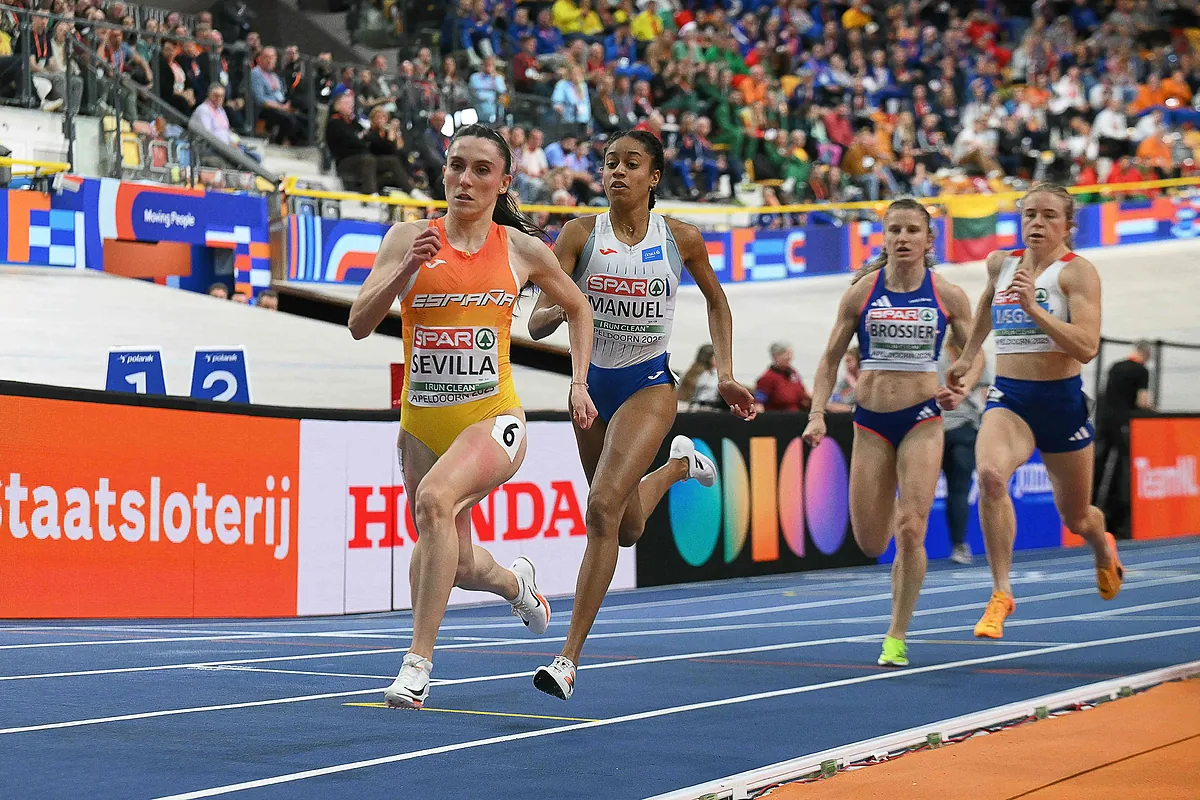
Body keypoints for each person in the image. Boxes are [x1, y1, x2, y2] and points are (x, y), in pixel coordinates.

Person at [347, 123, 598, 709]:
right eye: (456, 165)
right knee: (454, 561)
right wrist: (404, 268)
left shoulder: (519, 249)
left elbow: (579, 310)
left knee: (434, 501)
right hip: (422, 423)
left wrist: (578, 383)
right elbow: (359, 323)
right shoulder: (407, 238)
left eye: (481, 170)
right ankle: (519, 586)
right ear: (443, 172)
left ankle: (417, 665)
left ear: (503, 182)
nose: (465, 179)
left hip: (494, 418)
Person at [526, 129, 756, 700]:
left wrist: (725, 373)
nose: (617, 172)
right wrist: (560, 305)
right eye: (609, 163)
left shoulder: (681, 238)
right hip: (591, 389)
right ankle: (680, 468)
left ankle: (567, 660)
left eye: (632, 164)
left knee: (600, 507)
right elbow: (535, 322)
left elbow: (717, 301)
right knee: (624, 527)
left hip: (649, 383)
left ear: (653, 177)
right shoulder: (580, 234)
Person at [804, 198, 981, 668]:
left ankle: (896, 635)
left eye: (912, 231)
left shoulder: (948, 295)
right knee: (870, 541)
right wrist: (817, 413)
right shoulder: (862, 293)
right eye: (894, 230)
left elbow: (975, 349)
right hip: (871, 423)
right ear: (883, 239)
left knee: (911, 527)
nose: (903, 238)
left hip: (923, 418)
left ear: (929, 240)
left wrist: (961, 382)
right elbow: (827, 359)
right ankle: (895, 551)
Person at [948, 182, 1125, 641]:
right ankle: (1001, 592)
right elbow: (987, 304)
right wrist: (968, 355)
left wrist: (1033, 308)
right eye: (1029, 215)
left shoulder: (1076, 273)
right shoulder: (1000, 264)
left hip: (1061, 403)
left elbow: (1086, 348)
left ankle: (1101, 541)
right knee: (989, 476)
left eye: (1048, 216)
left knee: (1077, 517)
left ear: (1068, 225)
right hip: (1011, 398)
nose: (1037, 224)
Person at [938, 331, 993, 565]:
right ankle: (959, 545)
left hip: (934, 428)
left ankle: (910, 546)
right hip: (963, 428)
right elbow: (984, 396)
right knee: (958, 490)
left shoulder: (937, 358)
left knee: (918, 493)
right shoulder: (976, 361)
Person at [1094, 340, 1154, 540]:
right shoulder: (1141, 371)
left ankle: (1093, 505)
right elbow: (1142, 401)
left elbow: (1105, 394)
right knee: (1124, 465)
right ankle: (1120, 516)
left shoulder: (1115, 366)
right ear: (1146, 355)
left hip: (1104, 421)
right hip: (1124, 422)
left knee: (1100, 463)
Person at [755, 341, 812, 412]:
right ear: (775, 356)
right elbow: (759, 403)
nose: (789, 357)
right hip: (779, 417)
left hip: (797, 415)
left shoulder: (793, 373)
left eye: (790, 354)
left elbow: (803, 394)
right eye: (785, 354)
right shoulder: (767, 378)